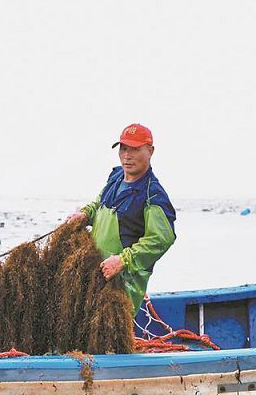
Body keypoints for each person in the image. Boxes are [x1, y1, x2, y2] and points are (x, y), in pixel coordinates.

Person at [66, 124, 176, 313]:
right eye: (123, 148)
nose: (127, 155)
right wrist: (84, 214)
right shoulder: (116, 178)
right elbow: (99, 204)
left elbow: (161, 239)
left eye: (135, 149)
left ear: (150, 151)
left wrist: (123, 261)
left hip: (123, 285)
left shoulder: (153, 195)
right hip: (95, 273)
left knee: (106, 331)